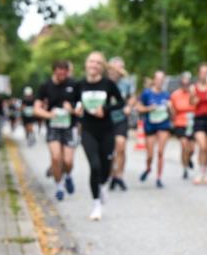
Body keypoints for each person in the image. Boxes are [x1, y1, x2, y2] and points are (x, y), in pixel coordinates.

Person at [74, 52, 125, 221]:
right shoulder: (79, 84)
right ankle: (96, 204)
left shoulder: (108, 84)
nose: (94, 65)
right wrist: (77, 109)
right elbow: (74, 102)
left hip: (106, 130)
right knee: (94, 166)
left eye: (97, 63)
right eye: (91, 61)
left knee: (105, 167)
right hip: (88, 130)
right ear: (86, 64)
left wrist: (105, 110)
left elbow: (120, 102)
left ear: (102, 67)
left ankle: (103, 184)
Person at [34, 60, 78, 201]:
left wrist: (71, 109)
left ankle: (68, 176)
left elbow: (80, 108)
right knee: (56, 157)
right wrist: (49, 115)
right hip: (53, 127)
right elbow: (36, 109)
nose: (62, 76)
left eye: (65, 73)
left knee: (68, 161)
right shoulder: (45, 86)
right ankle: (59, 186)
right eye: (60, 73)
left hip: (69, 127)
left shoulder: (73, 84)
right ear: (54, 71)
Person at [136, 71, 172, 188]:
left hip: (163, 124)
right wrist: (149, 108)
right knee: (150, 155)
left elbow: (173, 113)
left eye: (162, 79)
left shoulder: (166, 95)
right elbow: (139, 108)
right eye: (158, 79)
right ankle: (148, 168)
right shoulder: (147, 93)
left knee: (161, 152)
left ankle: (159, 178)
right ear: (154, 80)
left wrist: (170, 108)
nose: (160, 81)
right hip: (150, 125)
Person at [107, 56, 135, 191]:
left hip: (121, 118)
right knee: (110, 150)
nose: (118, 71)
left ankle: (120, 176)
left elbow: (132, 97)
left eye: (120, 68)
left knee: (121, 146)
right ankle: (112, 175)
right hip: (106, 120)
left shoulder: (126, 82)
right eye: (116, 68)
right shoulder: (104, 82)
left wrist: (129, 106)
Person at [170, 72, 197, 180]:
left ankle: (189, 158)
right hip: (180, 123)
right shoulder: (175, 95)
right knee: (184, 146)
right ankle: (185, 168)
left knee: (191, 149)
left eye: (187, 84)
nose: (185, 86)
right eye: (183, 84)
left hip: (191, 123)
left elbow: (196, 105)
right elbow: (173, 110)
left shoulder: (193, 93)